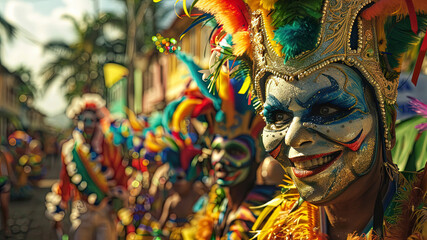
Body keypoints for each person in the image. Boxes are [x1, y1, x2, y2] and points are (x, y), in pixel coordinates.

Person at [164, 0, 427, 239]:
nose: (293, 136)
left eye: (326, 110)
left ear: (387, 124)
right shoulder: (275, 232)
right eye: (278, 117)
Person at [45, 93, 128, 240]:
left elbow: (121, 176)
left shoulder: (110, 148)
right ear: (78, 121)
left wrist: (120, 205)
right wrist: (59, 210)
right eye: (84, 120)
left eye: (92, 120)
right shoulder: (70, 150)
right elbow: (65, 181)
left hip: (105, 211)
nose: (88, 125)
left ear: (98, 121)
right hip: (82, 210)